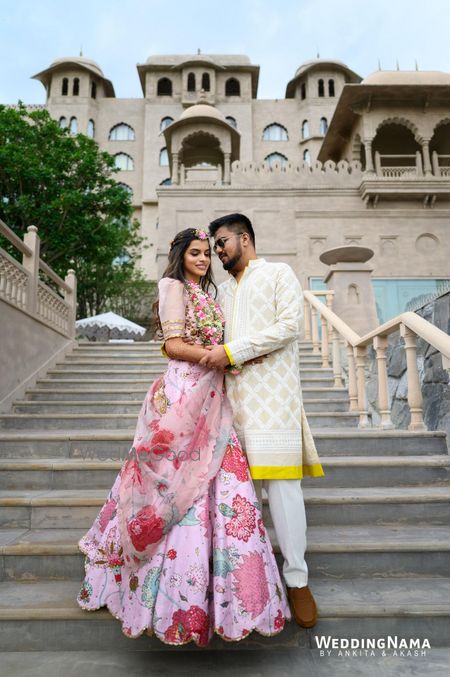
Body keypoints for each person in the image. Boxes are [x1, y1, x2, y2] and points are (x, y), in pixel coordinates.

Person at [77, 227, 290, 645]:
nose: (203, 259)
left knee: (222, 478)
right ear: (180, 255)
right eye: (195, 253)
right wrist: (221, 358)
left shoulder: (209, 295)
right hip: (183, 392)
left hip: (212, 393)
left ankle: (227, 598)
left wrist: (238, 353)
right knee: (173, 482)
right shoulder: (173, 286)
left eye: (207, 253)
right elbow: (173, 345)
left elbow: (220, 341)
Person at [201, 214, 324, 629]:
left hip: (274, 399)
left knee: (284, 487)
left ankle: (297, 579)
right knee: (233, 496)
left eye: (222, 242)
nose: (218, 251)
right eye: (214, 246)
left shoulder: (277, 273)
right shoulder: (222, 293)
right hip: (230, 405)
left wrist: (232, 352)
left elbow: (289, 327)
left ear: (245, 238)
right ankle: (238, 582)